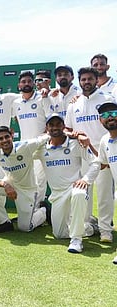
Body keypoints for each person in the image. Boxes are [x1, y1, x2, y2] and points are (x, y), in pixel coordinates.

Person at [35, 113, 99, 253]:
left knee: (79, 194)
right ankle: (90, 227)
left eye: (58, 124)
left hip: (75, 187)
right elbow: (25, 152)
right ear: (47, 128)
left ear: (64, 126)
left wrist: (85, 180)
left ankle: (76, 240)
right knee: (59, 234)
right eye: (51, 125)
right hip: (57, 194)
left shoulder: (75, 143)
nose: (55, 127)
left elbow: (95, 163)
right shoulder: (41, 148)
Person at [65, 67, 115, 243]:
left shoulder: (107, 99)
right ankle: (86, 227)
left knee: (104, 195)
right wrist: (77, 135)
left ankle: (105, 231)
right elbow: (67, 129)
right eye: (83, 79)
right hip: (84, 154)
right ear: (79, 81)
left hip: (106, 151)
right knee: (84, 192)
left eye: (90, 79)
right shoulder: (74, 103)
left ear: (96, 80)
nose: (87, 82)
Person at [0, 126, 49, 232]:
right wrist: (5, 185)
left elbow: (44, 138)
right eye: (0, 139)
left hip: (28, 189)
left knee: (25, 228)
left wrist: (72, 134)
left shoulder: (25, 146)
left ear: (12, 136)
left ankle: (43, 212)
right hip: (10, 184)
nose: (4, 140)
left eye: (7, 137)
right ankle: (5, 222)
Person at [11, 71, 50, 204]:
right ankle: (28, 211)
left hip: (42, 146)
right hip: (25, 147)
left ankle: (37, 209)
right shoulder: (16, 103)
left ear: (34, 83)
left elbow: (50, 120)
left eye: (29, 81)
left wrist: (43, 137)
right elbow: (16, 119)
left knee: (39, 180)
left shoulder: (42, 97)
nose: (26, 84)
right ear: (19, 85)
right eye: (23, 82)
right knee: (27, 180)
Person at [97, 102, 117, 262]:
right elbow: (103, 164)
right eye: (104, 115)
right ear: (100, 121)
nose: (109, 117)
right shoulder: (104, 140)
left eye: (113, 113)